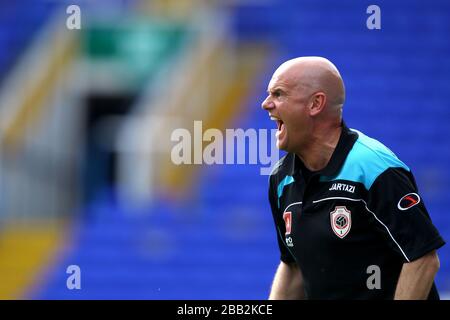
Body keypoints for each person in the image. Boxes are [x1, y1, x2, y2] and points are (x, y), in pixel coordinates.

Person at [261, 56, 445, 300]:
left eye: (279, 94)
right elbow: (292, 266)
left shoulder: (374, 168)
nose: (266, 104)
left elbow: (423, 260)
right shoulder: (281, 179)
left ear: (315, 104)